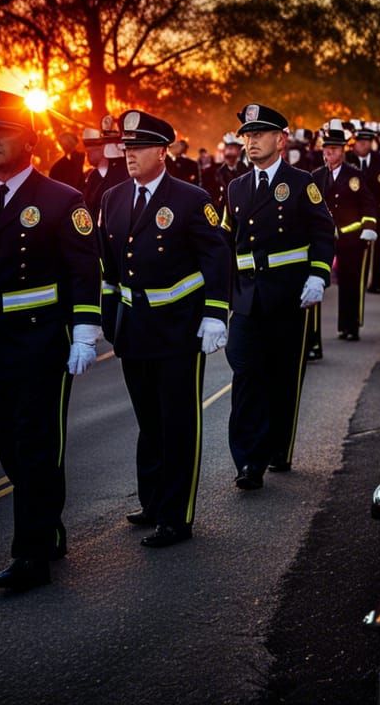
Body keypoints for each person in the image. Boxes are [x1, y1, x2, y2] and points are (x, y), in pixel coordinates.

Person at [0, 89, 101, 591]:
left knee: (35, 445)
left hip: (40, 343)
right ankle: (48, 525)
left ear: (27, 141)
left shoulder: (61, 199)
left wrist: (85, 332)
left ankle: (31, 555)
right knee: (9, 445)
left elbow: (84, 272)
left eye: (1, 134)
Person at [99, 110, 229, 548]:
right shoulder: (113, 197)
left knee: (177, 422)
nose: (129, 155)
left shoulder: (192, 199)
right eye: (126, 148)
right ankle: (152, 501)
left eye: (138, 148)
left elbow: (216, 257)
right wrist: (105, 317)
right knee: (148, 420)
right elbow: (109, 265)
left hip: (178, 328)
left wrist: (215, 313)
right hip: (133, 327)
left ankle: (177, 515)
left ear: (162, 151)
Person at [224, 103, 335, 487]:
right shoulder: (236, 187)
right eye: (247, 135)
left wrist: (318, 276)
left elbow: (324, 234)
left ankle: (278, 449)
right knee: (245, 373)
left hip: (288, 296)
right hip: (246, 299)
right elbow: (228, 243)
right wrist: (218, 304)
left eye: (259, 135)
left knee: (282, 377)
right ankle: (248, 461)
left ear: (281, 139)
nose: (251, 142)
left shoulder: (301, 183)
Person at [312, 120, 378, 340]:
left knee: (350, 283)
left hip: (350, 237)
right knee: (317, 282)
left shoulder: (354, 175)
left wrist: (368, 226)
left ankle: (350, 326)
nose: (330, 152)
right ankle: (312, 337)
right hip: (323, 239)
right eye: (327, 148)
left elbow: (367, 202)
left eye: (335, 148)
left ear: (343, 150)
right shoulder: (316, 176)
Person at [349, 121, 380, 294]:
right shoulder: (347, 160)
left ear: (372, 143)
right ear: (354, 142)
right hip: (353, 216)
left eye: (367, 141)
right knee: (355, 251)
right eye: (360, 141)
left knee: (379, 251)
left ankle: (377, 283)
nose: (363, 144)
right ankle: (356, 284)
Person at [82, 115, 129, 216]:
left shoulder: (125, 172)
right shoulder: (94, 175)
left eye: (90, 149)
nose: (87, 154)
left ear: (104, 147)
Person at [205, 132, 248, 213]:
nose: (228, 150)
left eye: (232, 147)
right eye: (227, 147)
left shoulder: (248, 171)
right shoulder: (215, 173)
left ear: (239, 150)